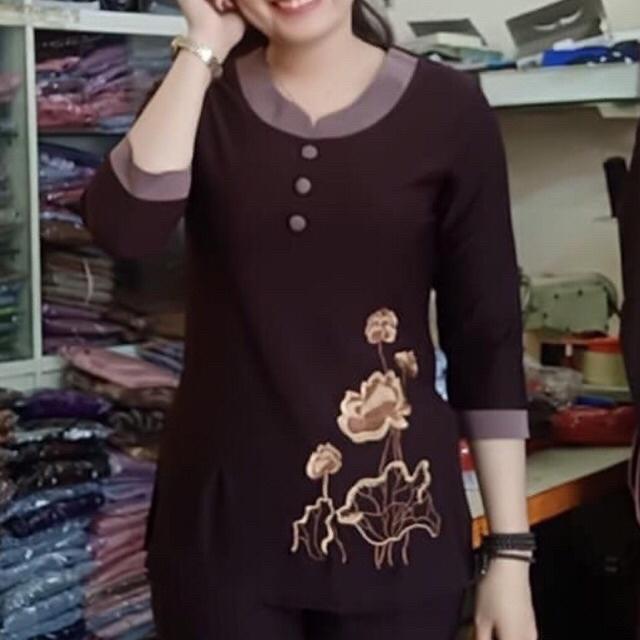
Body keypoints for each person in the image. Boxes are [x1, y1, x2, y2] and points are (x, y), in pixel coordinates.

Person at [79, 0, 538, 637]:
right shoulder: (200, 94)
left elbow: (486, 338)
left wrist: (510, 552)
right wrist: (204, 42)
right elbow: (125, 231)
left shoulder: (449, 110)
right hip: (219, 540)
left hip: (395, 540)